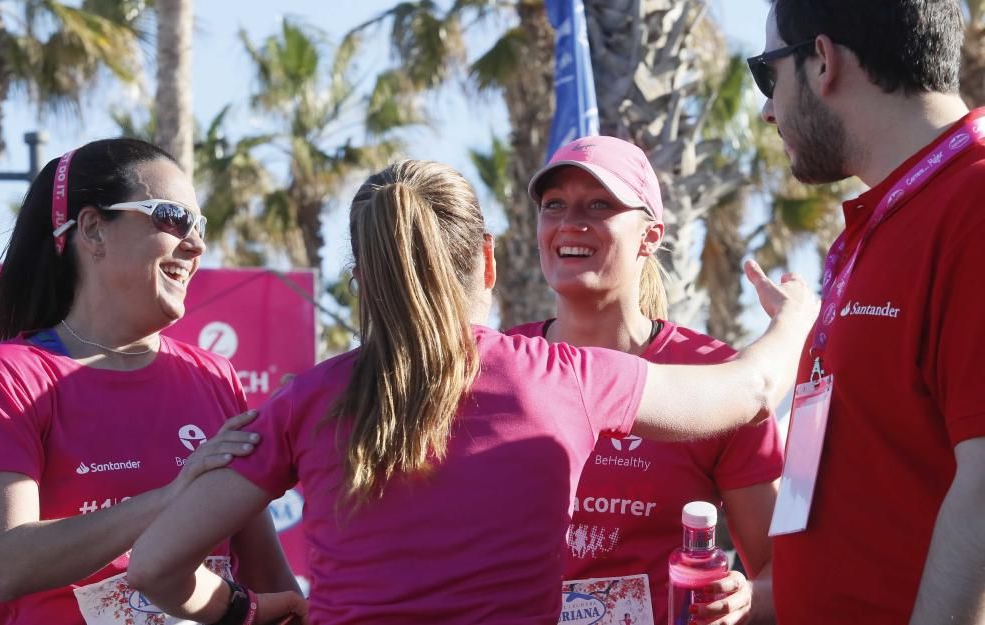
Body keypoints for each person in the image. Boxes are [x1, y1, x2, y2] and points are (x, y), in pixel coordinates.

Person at [127, 159, 816, 625]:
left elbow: (156, 565)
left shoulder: (306, 399)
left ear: (363, 280)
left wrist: (249, 609)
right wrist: (796, 318)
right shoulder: (563, 376)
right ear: (486, 257)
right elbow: (753, 388)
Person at [0, 138, 303, 625]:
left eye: (200, 226)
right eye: (173, 218)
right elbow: (9, 563)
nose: (195, 244)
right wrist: (173, 495)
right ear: (93, 229)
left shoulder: (213, 377)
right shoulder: (10, 375)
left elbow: (267, 575)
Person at [748, 1, 985, 623]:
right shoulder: (880, 220)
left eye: (767, 73)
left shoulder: (975, 200)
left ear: (821, 60)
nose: (768, 108)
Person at [508, 135, 781, 625]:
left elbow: (781, 575)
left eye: (599, 204)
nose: (571, 222)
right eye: (554, 205)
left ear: (650, 236)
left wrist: (743, 601)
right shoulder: (496, 368)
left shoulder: (716, 381)